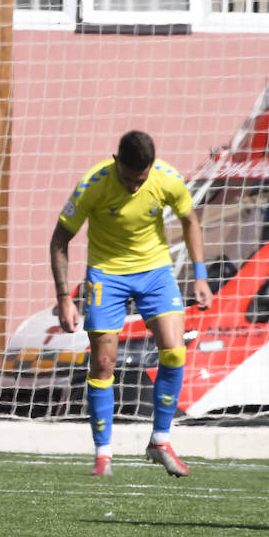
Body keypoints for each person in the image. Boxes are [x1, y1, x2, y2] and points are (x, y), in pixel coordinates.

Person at [49, 130, 212, 478]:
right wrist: (64, 297)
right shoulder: (92, 185)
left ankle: (161, 440)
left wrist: (200, 275)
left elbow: (190, 221)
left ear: (150, 168)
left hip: (155, 272)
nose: (134, 187)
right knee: (104, 362)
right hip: (106, 275)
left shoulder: (167, 179)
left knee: (174, 350)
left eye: (140, 180)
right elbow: (60, 239)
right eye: (128, 179)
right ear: (115, 161)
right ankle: (103, 454)